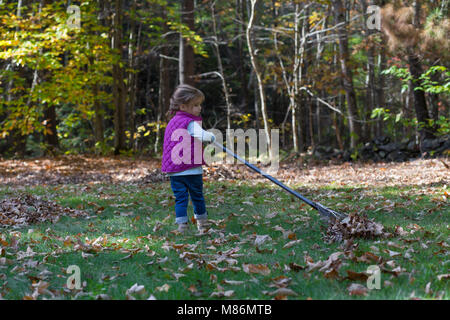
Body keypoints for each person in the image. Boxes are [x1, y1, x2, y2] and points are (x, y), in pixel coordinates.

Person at [161, 84, 216, 234]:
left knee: (180, 198)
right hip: (190, 169)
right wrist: (211, 137)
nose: (199, 108)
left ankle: (182, 226)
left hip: (175, 170)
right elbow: (202, 135)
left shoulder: (172, 122)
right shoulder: (189, 122)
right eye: (196, 105)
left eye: (200, 105)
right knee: (197, 197)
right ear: (183, 106)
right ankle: (203, 224)